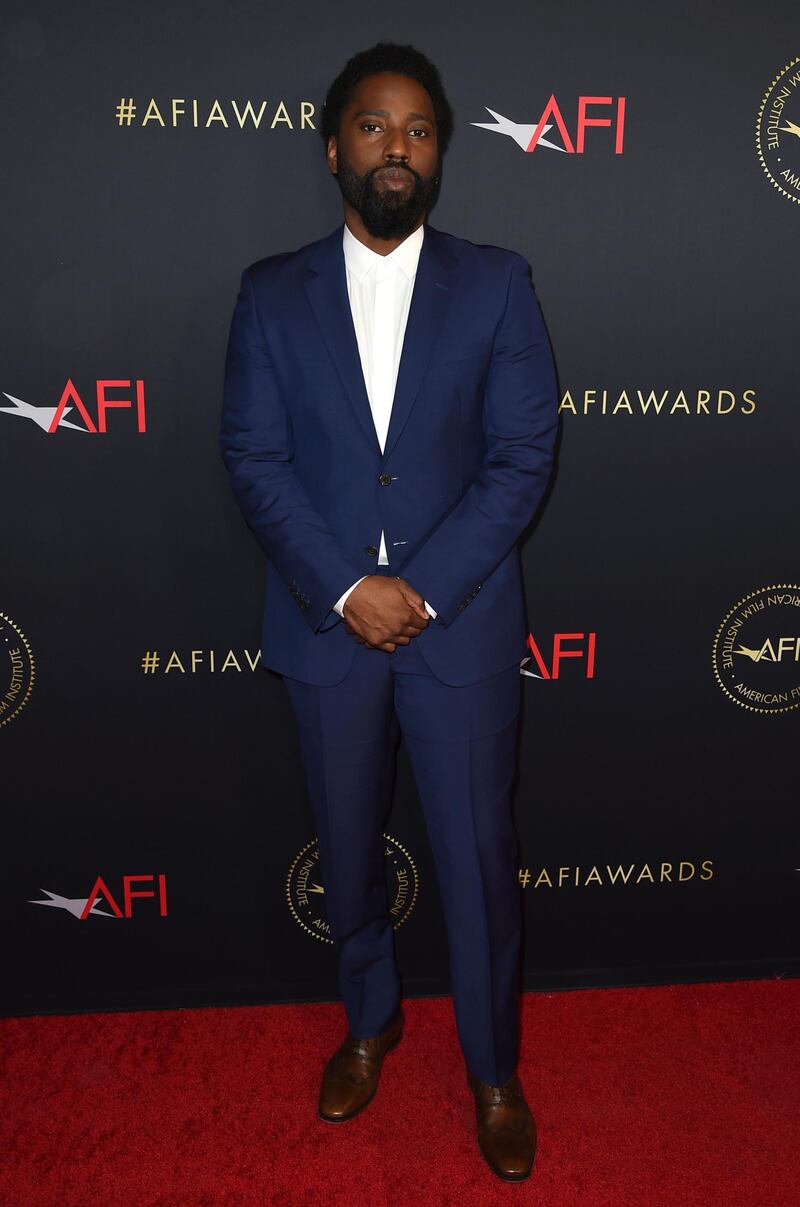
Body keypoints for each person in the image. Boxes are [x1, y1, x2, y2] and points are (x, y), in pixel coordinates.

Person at [220, 41, 558, 1183]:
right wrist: (346, 588)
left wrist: (416, 588)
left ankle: (492, 1068)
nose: (397, 147)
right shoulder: (270, 293)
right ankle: (368, 1024)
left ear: (439, 152)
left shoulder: (499, 281)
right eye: (373, 126)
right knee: (351, 859)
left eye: (418, 129)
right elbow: (254, 458)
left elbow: (521, 456)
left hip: (454, 629)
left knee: (474, 857)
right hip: (325, 632)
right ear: (332, 147)